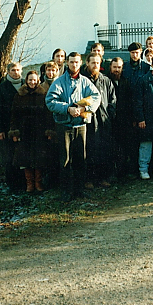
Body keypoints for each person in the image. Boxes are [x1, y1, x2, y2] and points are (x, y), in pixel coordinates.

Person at [45, 52, 101, 202]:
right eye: (71, 62)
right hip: (64, 126)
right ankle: (66, 191)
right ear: (67, 63)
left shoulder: (85, 81)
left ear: (80, 63)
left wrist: (84, 109)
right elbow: (50, 101)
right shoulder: (58, 82)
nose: (74, 65)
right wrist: (67, 108)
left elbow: (96, 97)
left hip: (80, 125)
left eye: (76, 62)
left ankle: (79, 190)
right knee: (65, 159)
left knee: (80, 158)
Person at [9, 71, 54, 193]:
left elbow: (48, 115)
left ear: (38, 81)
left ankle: (38, 183)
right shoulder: (19, 95)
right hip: (24, 131)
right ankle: (29, 184)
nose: (32, 82)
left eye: (34, 80)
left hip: (39, 131)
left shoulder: (43, 95)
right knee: (25, 158)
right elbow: (14, 115)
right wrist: (14, 132)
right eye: (30, 80)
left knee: (39, 158)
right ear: (26, 81)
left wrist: (49, 131)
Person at [80, 53, 117, 187]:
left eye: (97, 63)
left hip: (104, 121)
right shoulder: (82, 80)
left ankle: (103, 178)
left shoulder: (105, 80)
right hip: (88, 121)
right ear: (87, 64)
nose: (95, 65)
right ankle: (89, 179)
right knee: (89, 150)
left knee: (104, 150)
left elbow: (113, 100)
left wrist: (109, 114)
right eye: (93, 63)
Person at [0, 62, 25, 192]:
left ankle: (25, 183)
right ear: (8, 72)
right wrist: (0, 130)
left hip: (25, 126)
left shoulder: (26, 83)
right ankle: (13, 184)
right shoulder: (2, 88)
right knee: (11, 155)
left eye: (18, 70)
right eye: (13, 70)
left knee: (24, 154)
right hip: (8, 127)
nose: (15, 72)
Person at [107, 57, 136, 178]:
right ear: (110, 68)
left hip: (125, 120)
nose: (116, 70)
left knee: (126, 146)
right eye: (114, 67)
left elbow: (131, 101)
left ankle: (124, 171)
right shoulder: (107, 81)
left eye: (119, 67)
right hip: (110, 120)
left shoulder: (126, 81)